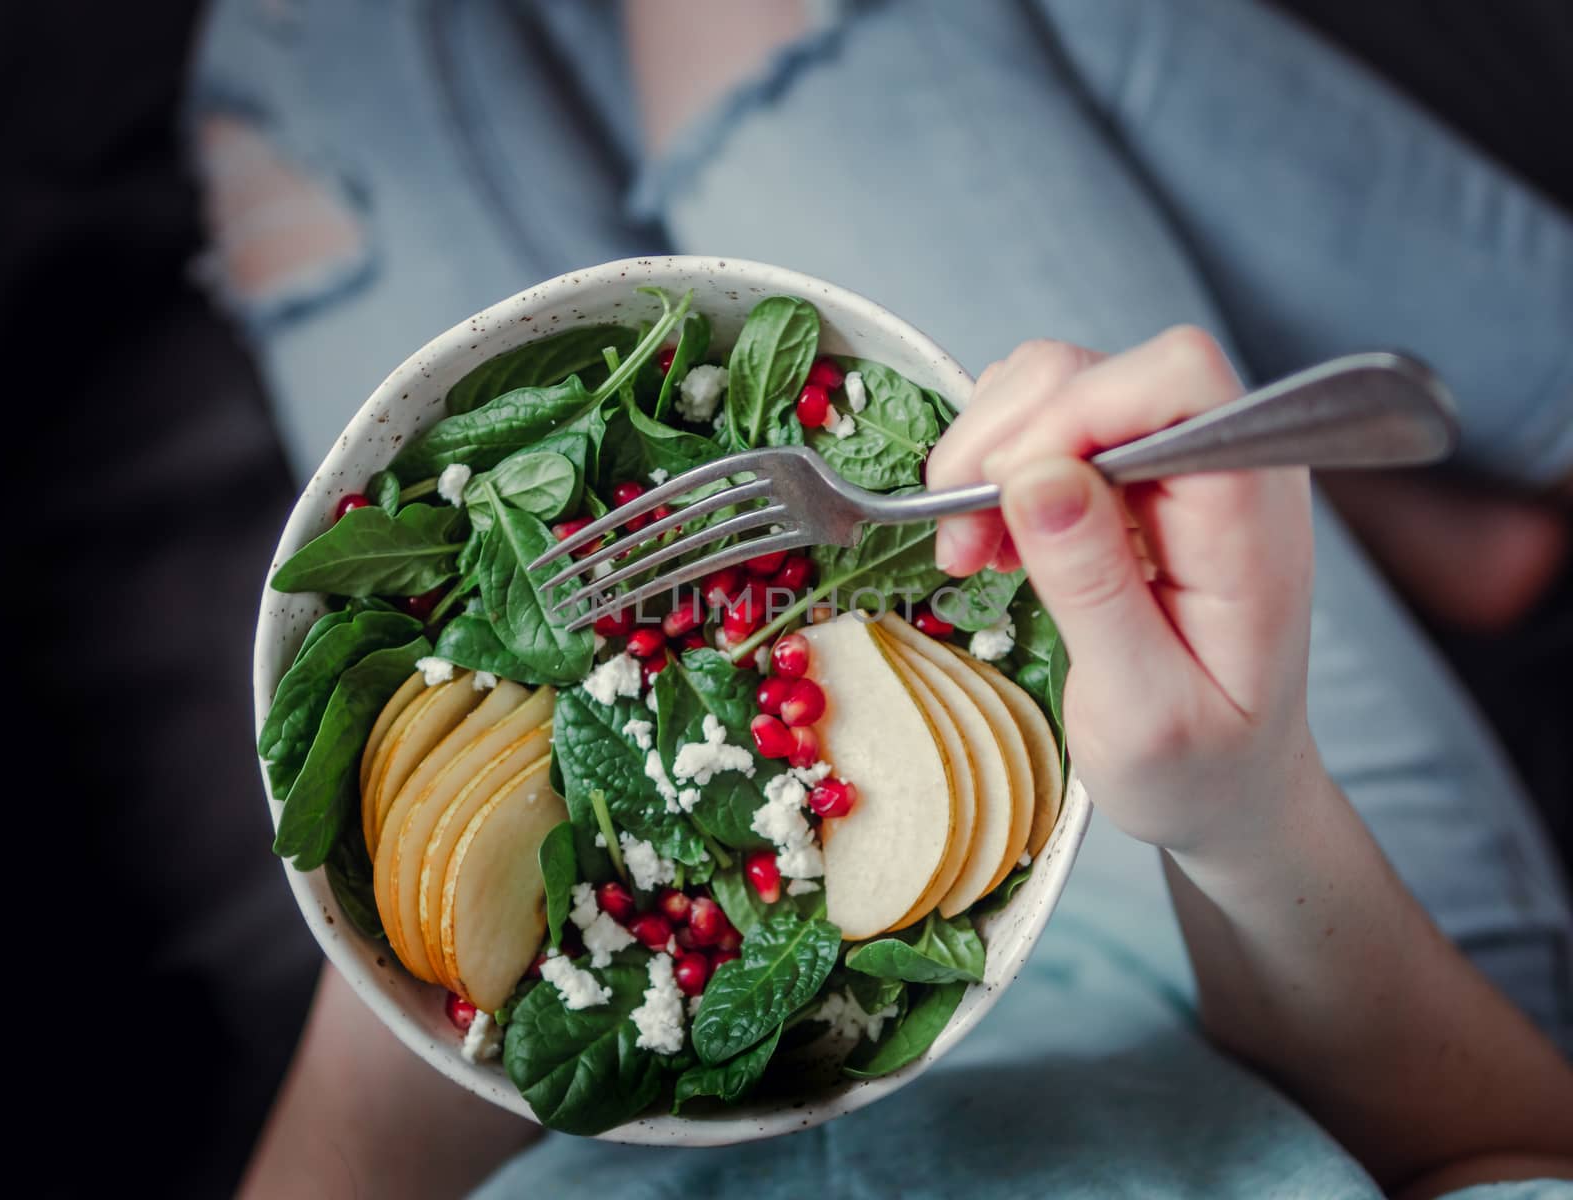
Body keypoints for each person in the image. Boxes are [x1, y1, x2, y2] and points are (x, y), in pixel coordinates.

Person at [202, 2, 1573, 1195]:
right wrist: (1247, 807)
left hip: (483, 1087)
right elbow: (1505, 1161)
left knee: (298, 57)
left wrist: (420, 909)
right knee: (777, 28)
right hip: (1301, 946)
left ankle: (1396, 514)